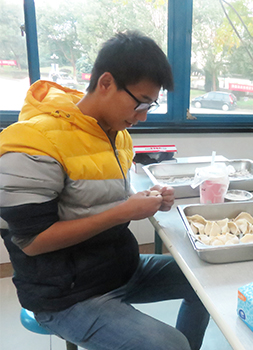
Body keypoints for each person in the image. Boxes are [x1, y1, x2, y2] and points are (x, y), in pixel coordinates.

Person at [0, 31, 209, 350]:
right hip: (64, 295)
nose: (143, 116)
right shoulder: (34, 143)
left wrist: (150, 197)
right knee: (169, 345)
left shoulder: (118, 134)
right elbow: (31, 242)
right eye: (140, 103)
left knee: (204, 283)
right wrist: (123, 212)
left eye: (150, 105)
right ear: (106, 83)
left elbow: (97, 199)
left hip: (120, 269)